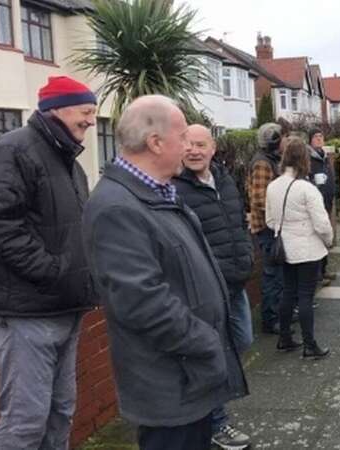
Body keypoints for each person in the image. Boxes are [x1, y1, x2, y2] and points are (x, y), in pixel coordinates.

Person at [82, 95, 248, 450]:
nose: (189, 145)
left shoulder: (159, 193)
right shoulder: (117, 207)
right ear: (155, 142)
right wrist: (207, 342)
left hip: (189, 378)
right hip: (170, 384)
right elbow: (142, 302)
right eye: (183, 136)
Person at [0, 75, 98, 450]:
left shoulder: (69, 162)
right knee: (25, 421)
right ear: (56, 110)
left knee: (60, 411)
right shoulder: (14, 150)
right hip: (26, 311)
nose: (92, 120)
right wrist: (53, 272)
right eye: (86, 111)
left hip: (62, 307)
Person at [172, 124, 253, 450]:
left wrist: (247, 251)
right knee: (211, 353)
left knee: (243, 340)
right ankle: (216, 423)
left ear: (213, 148)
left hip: (234, 284)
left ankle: (206, 414)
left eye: (200, 144)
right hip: (205, 290)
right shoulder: (176, 188)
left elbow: (238, 221)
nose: (194, 150)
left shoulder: (225, 179)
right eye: (188, 144)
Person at [265, 138, 333, 359]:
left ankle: (284, 338)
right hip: (307, 250)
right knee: (305, 295)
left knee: (288, 292)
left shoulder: (273, 186)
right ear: (305, 159)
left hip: (284, 249)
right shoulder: (307, 188)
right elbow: (322, 224)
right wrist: (328, 240)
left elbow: (269, 221)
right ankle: (309, 345)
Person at [247, 123, 284, 334]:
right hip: (267, 227)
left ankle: (277, 314)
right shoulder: (262, 163)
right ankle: (271, 320)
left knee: (277, 274)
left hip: (273, 226)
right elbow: (259, 198)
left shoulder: (270, 160)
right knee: (272, 274)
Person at [307, 128, 337, 286]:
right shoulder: (310, 158)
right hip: (316, 203)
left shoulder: (324, 156)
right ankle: (318, 274)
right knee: (317, 238)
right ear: (310, 140)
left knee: (325, 238)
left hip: (327, 202)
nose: (319, 139)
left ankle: (324, 270)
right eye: (316, 137)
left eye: (321, 136)